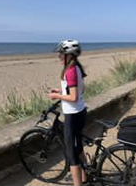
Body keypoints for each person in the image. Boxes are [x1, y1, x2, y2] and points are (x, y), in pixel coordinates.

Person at [47, 39, 88, 186]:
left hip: (73, 115)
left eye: (61, 54)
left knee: (72, 155)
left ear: (69, 55)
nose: (59, 56)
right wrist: (61, 90)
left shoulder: (70, 71)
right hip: (80, 111)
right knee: (79, 148)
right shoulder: (77, 67)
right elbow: (80, 89)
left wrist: (56, 96)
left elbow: (73, 96)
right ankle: (85, 178)